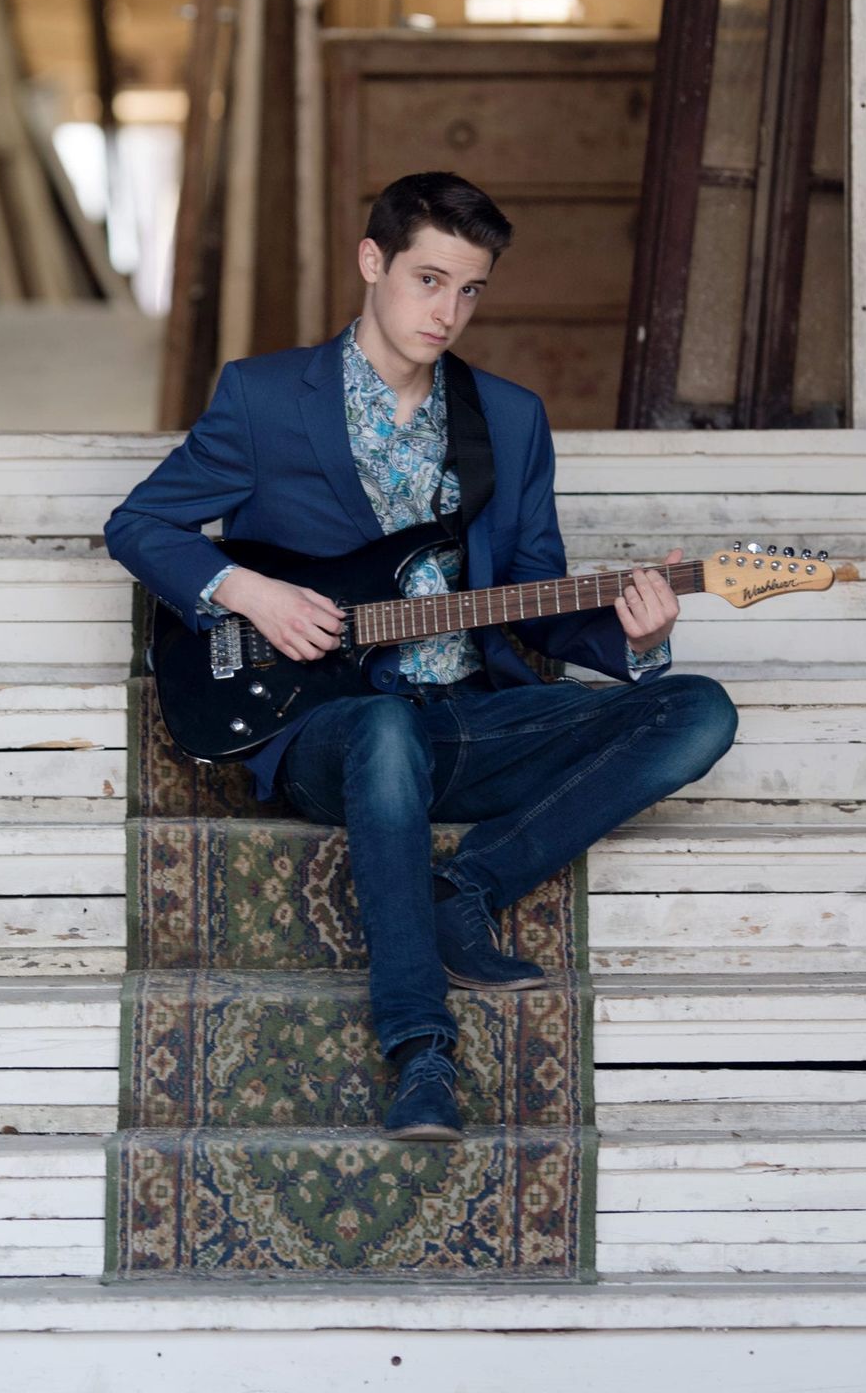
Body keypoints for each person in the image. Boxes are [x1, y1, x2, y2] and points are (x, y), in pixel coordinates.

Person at [105, 171, 738, 1141]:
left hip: (470, 718)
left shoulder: (510, 420)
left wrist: (635, 636)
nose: (448, 312)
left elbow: (539, 593)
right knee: (385, 728)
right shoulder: (266, 397)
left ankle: (467, 887)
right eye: (429, 280)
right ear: (374, 263)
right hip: (322, 724)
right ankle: (420, 1049)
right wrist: (249, 591)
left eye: (470, 290)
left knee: (697, 710)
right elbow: (140, 525)